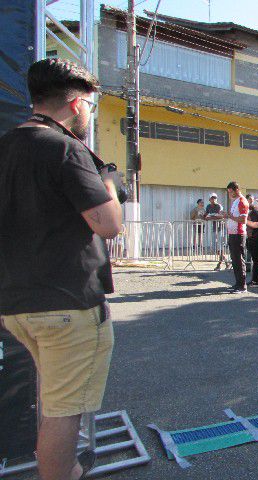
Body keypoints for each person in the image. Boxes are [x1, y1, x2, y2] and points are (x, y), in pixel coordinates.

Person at [0, 58, 122, 480]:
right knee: (63, 414)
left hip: (16, 304)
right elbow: (109, 224)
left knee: (53, 399)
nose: (90, 112)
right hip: (68, 304)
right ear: (75, 104)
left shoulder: (5, 145)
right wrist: (108, 181)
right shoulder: (66, 149)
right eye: (90, 103)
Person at [224, 182, 249, 293]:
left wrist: (230, 216)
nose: (230, 194)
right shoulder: (235, 201)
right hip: (233, 233)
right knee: (235, 260)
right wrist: (227, 215)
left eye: (231, 192)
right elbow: (233, 216)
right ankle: (238, 283)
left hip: (238, 234)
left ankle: (242, 285)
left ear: (237, 190)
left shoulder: (242, 201)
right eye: (229, 192)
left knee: (239, 260)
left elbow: (243, 220)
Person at [206, 193, 227, 270]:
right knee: (216, 248)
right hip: (214, 228)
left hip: (220, 228)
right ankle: (226, 262)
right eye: (212, 198)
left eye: (215, 198)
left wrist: (212, 217)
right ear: (209, 199)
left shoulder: (219, 206)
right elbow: (206, 215)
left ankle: (219, 264)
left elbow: (222, 216)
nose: (214, 199)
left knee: (220, 246)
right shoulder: (208, 206)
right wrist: (205, 217)